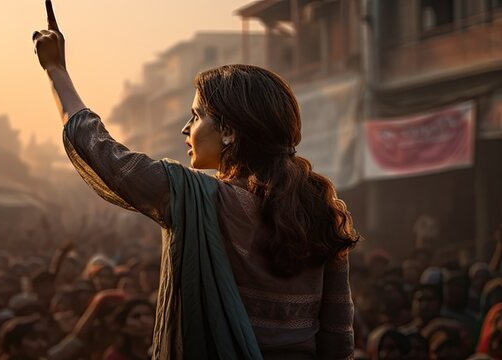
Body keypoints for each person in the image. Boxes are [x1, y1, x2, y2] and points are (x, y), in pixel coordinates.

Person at [32, 1, 358, 358]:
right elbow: (338, 337)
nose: (185, 128)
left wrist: (55, 70)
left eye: (196, 115)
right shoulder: (321, 209)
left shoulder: (198, 197)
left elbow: (98, 149)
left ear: (229, 132)